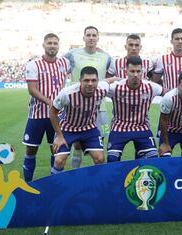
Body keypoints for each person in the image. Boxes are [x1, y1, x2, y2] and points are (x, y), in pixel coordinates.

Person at [49, 66, 117, 173]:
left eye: (93, 80)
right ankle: (55, 186)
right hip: (67, 129)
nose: (90, 83)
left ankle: (97, 185)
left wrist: (124, 79)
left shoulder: (102, 89)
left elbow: (109, 80)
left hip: (89, 128)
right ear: (80, 81)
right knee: (59, 161)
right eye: (86, 80)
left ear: (97, 81)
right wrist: (60, 136)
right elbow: (53, 112)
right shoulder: (67, 94)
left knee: (100, 159)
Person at [22, 33, 70, 182]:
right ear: (44, 45)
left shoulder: (65, 63)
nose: (52, 46)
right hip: (37, 115)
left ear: (59, 46)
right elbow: (32, 89)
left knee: (55, 149)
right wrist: (50, 102)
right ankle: (28, 183)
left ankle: (52, 184)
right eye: (49, 43)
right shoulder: (34, 64)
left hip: (57, 116)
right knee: (31, 149)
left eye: (55, 43)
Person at [64, 26, 112, 168]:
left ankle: (96, 179)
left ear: (98, 38)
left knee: (99, 143)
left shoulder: (106, 57)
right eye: (88, 35)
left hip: (99, 107)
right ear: (83, 37)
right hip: (76, 106)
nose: (91, 37)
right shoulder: (72, 54)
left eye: (94, 35)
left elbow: (109, 78)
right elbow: (59, 70)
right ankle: (74, 175)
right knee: (77, 144)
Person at [107, 56, 164, 162]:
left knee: (153, 158)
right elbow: (97, 87)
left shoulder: (151, 87)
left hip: (142, 127)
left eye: (138, 71)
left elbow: (168, 92)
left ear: (142, 72)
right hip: (119, 127)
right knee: (112, 159)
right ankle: (115, 179)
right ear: (126, 71)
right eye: (132, 71)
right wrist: (111, 79)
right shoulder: (115, 88)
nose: (135, 75)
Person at [152, 28, 182, 155]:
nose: (180, 41)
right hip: (169, 108)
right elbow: (155, 81)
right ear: (171, 41)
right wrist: (164, 91)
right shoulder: (163, 59)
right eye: (177, 39)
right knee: (165, 150)